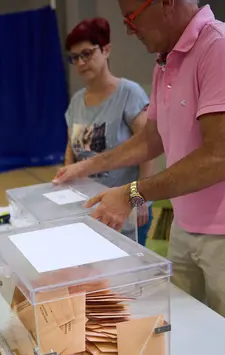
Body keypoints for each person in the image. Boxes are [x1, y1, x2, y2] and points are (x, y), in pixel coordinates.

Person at [54, 1, 225, 355]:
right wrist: (86, 167)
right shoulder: (167, 61)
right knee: (178, 330)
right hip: (189, 224)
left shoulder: (224, 47)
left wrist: (135, 192)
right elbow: (151, 141)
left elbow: (221, 158)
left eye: (132, 14)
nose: (127, 26)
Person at [63, 16, 155, 245]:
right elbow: (71, 151)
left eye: (87, 54)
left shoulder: (129, 94)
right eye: (75, 58)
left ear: (106, 50)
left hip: (125, 207)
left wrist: (139, 199)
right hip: (88, 206)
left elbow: (148, 146)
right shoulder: (76, 101)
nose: (81, 62)